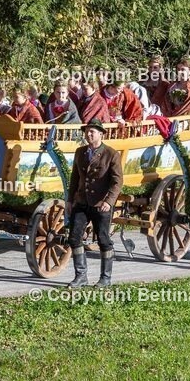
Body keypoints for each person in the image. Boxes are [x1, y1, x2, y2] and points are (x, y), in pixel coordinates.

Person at [66, 118, 123, 288]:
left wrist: (109, 201)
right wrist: (70, 200)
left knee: (103, 240)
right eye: (87, 131)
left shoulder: (111, 154)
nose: (88, 134)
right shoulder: (80, 152)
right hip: (82, 202)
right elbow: (74, 178)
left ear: (100, 134)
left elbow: (117, 181)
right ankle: (81, 276)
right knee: (74, 237)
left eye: (92, 131)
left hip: (101, 204)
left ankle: (105, 278)